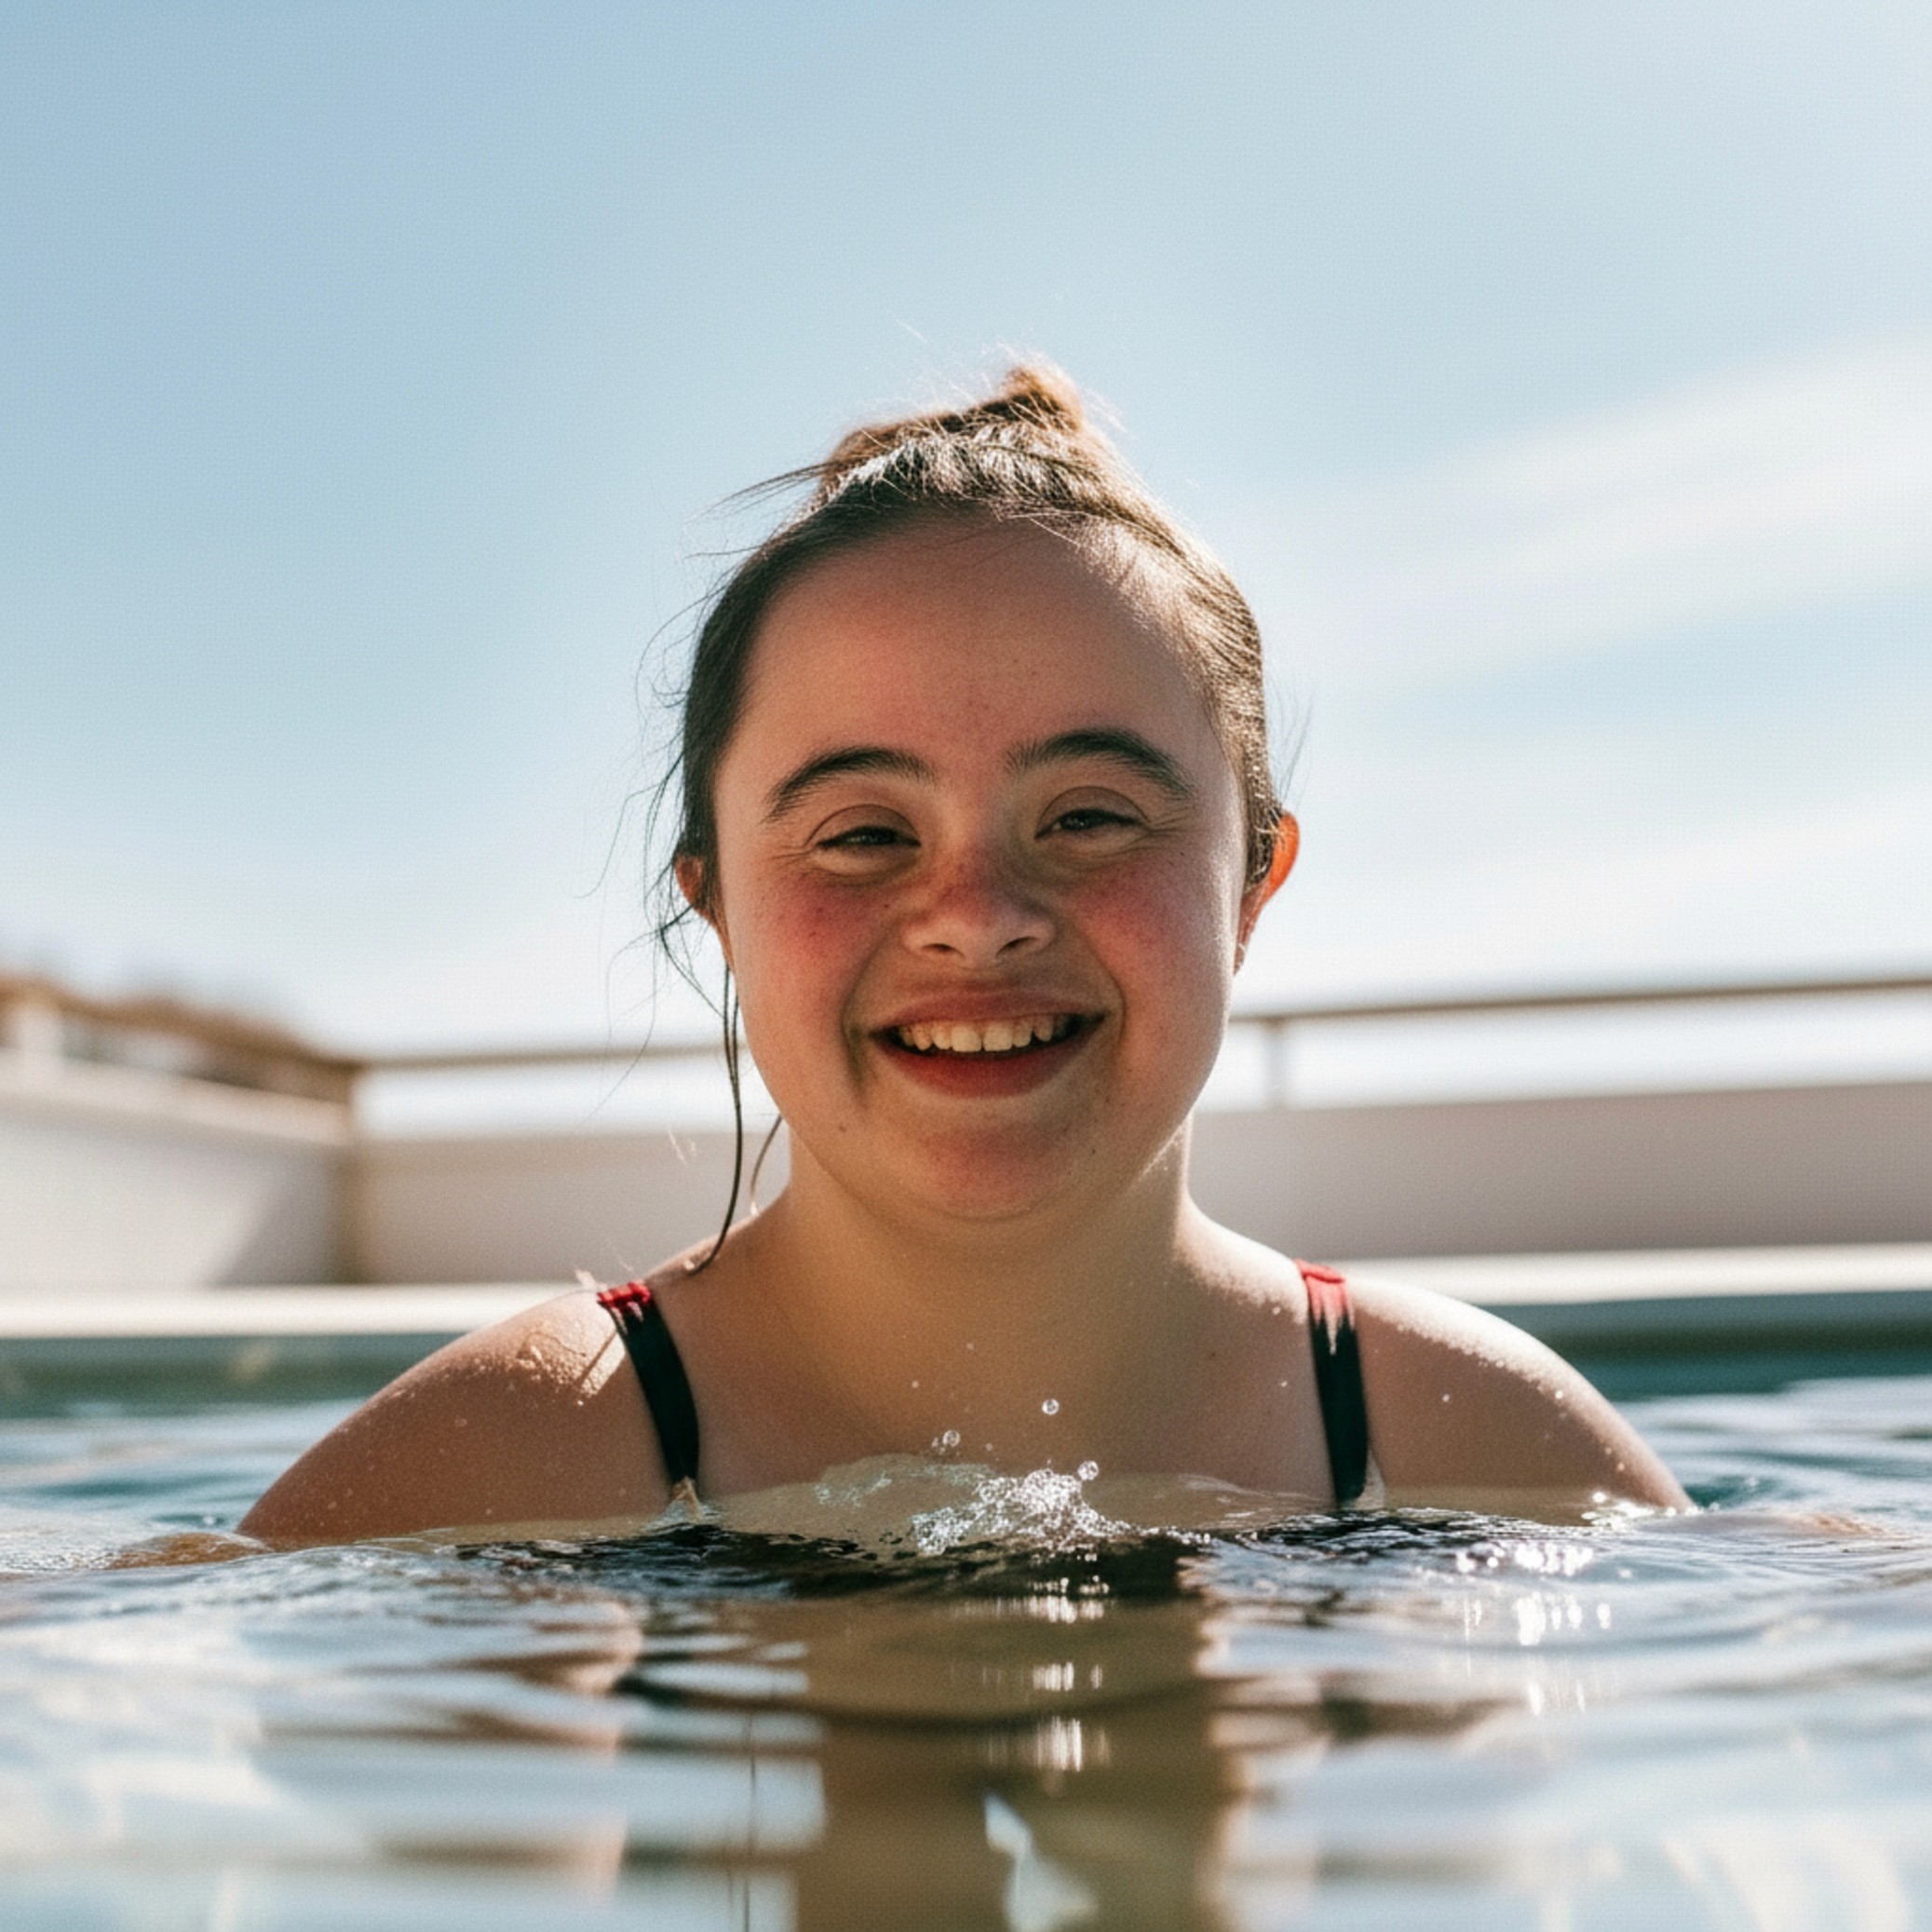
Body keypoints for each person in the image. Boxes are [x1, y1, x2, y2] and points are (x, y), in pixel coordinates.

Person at [241, 367, 1685, 1546]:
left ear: (1251, 883)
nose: (980, 911)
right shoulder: (503, 1462)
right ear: (720, 907)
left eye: (1091, 817)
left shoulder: (1477, 1439)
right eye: (864, 834)